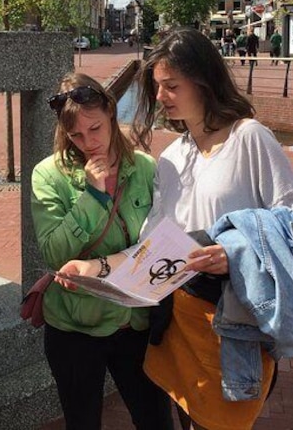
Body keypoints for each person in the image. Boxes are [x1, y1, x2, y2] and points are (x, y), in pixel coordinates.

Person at [132, 28, 293, 430]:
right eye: (157, 87)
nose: (161, 97)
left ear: (203, 80)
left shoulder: (249, 138)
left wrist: (234, 252)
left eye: (171, 86)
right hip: (179, 312)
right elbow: (155, 231)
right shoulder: (172, 155)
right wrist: (119, 272)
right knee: (188, 419)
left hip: (235, 317)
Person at [31, 73, 173, 430]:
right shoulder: (49, 175)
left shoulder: (143, 167)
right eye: (75, 135)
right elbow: (53, 253)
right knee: (83, 421)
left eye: (94, 128)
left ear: (111, 113)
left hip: (134, 320)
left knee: (155, 418)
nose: (87, 142)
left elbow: (161, 240)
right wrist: (92, 197)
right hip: (76, 325)